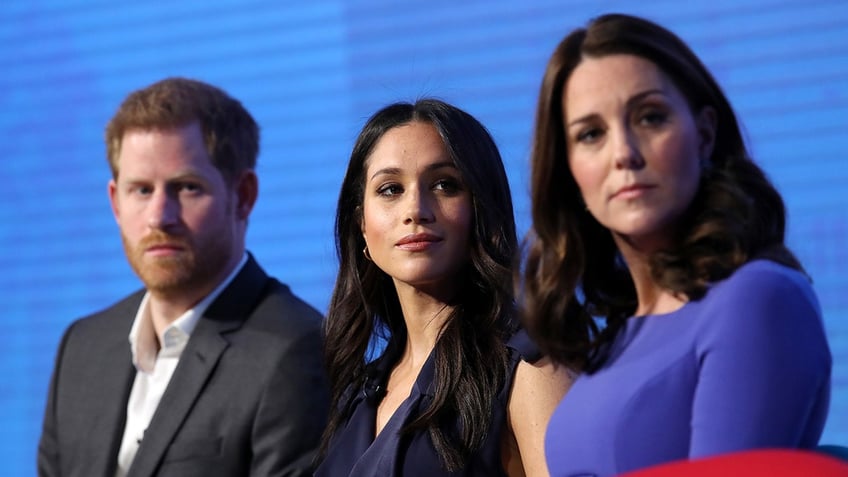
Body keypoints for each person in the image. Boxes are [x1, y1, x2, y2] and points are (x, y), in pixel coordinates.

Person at [520, 13, 832, 477]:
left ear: (703, 134)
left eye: (650, 117)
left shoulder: (758, 299)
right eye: (591, 134)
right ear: (568, 169)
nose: (624, 153)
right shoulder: (616, 333)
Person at [37, 77, 329, 477]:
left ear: (243, 195)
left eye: (187, 187)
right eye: (140, 190)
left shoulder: (296, 350)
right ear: (115, 202)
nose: (159, 217)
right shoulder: (82, 347)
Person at [315, 99, 572, 476]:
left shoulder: (529, 361)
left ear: (481, 208)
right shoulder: (358, 390)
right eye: (390, 189)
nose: (415, 209)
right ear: (362, 228)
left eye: (444, 184)